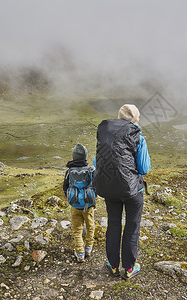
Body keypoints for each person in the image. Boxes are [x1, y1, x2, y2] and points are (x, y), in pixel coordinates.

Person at [93, 104, 151, 279]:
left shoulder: (106, 137)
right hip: (133, 191)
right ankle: (129, 268)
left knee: (113, 224)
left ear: (118, 118)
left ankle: (112, 266)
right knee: (132, 227)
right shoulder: (138, 137)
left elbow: (97, 164)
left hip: (110, 189)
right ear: (135, 120)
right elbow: (144, 168)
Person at [63, 143, 96, 263]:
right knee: (90, 226)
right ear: (85, 157)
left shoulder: (69, 171)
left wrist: (71, 198)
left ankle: (80, 253)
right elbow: (96, 186)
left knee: (77, 229)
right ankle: (88, 248)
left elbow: (65, 187)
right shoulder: (91, 170)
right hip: (88, 205)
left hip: (75, 205)